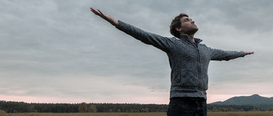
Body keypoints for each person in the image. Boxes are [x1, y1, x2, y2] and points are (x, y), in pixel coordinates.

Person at [90, 7, 254, 116]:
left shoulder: (205, 50)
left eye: (192, 18)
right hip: (181, 104)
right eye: (187, 20)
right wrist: (116, 23)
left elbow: (225, 54)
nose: (192, 20)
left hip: (202, 104)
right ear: (179, 29)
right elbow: (144, 36)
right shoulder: (173, 44)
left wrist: (241, 53)